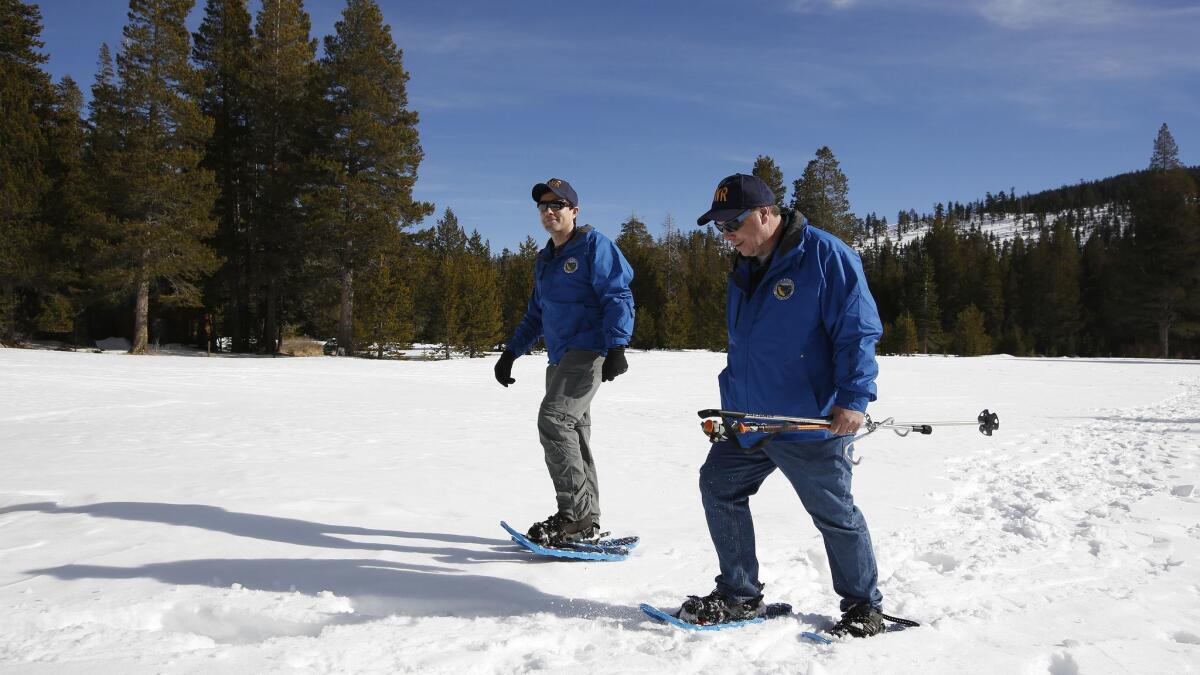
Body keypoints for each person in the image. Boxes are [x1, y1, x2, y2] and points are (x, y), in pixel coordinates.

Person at [677, 173, 887, 638]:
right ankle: (740, 593)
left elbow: (857, 331)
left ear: (767, 213)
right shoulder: (744, 265)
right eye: (719, 227)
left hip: (808, 420)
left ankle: (862, 606)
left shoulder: (825, 256)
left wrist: (854, 398)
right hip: (748, 418)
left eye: (734, 222)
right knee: (718, 485)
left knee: (834, 512)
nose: (727, 234)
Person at [494, 178, 635, 546]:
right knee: (574, 433)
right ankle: (586, 521)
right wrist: (511, 353)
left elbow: (617, 293)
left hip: (589, 351)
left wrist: (617, 345)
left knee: (554, 421)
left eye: (558, 204)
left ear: (574, 210)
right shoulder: (545, 260)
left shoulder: (593, 245)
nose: (549, 211)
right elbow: (536, 314)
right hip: (559, 359)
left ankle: (573, 517)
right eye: (543, 206)